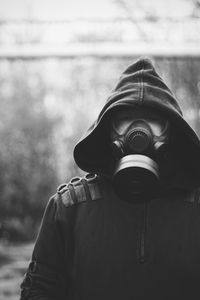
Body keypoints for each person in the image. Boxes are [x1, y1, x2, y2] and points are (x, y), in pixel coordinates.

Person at [20, 58, 200, 300]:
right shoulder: (69, 208)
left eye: (153, 120)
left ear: (173, 132)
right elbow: (40, 292)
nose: (139, 132)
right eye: (125, 119)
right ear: (107, 130)